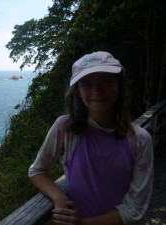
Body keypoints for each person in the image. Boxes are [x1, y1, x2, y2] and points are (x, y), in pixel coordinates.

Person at [28, 51, 153, 225]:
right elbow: (37, 170)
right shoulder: (66, 128)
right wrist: (59, 197)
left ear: (119, 84)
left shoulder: (139, 139)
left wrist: (82, 223)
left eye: (106, 81)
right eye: (86, 84)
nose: (96, 91)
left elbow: (135, 210)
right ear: (78, 91)